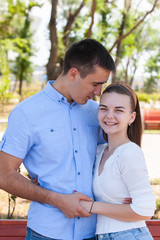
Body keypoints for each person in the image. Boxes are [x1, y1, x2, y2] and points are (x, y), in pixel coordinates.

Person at [0, 39, 115, 240]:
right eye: (95, 84)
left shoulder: (98, 113)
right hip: (46, 233)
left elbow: (116, 157)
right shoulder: (26, 113)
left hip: (95, 233)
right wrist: (57, 199)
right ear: (73, 74)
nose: (98, 92)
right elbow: (4, 174)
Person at [80, 82, 156, 240]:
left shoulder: (129, 153)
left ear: (132, 117)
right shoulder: (100, 151)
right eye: (103, 108)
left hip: (128, 234)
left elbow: (146, 209)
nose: (109, 116)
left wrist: (93, 207)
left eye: (118, 110)